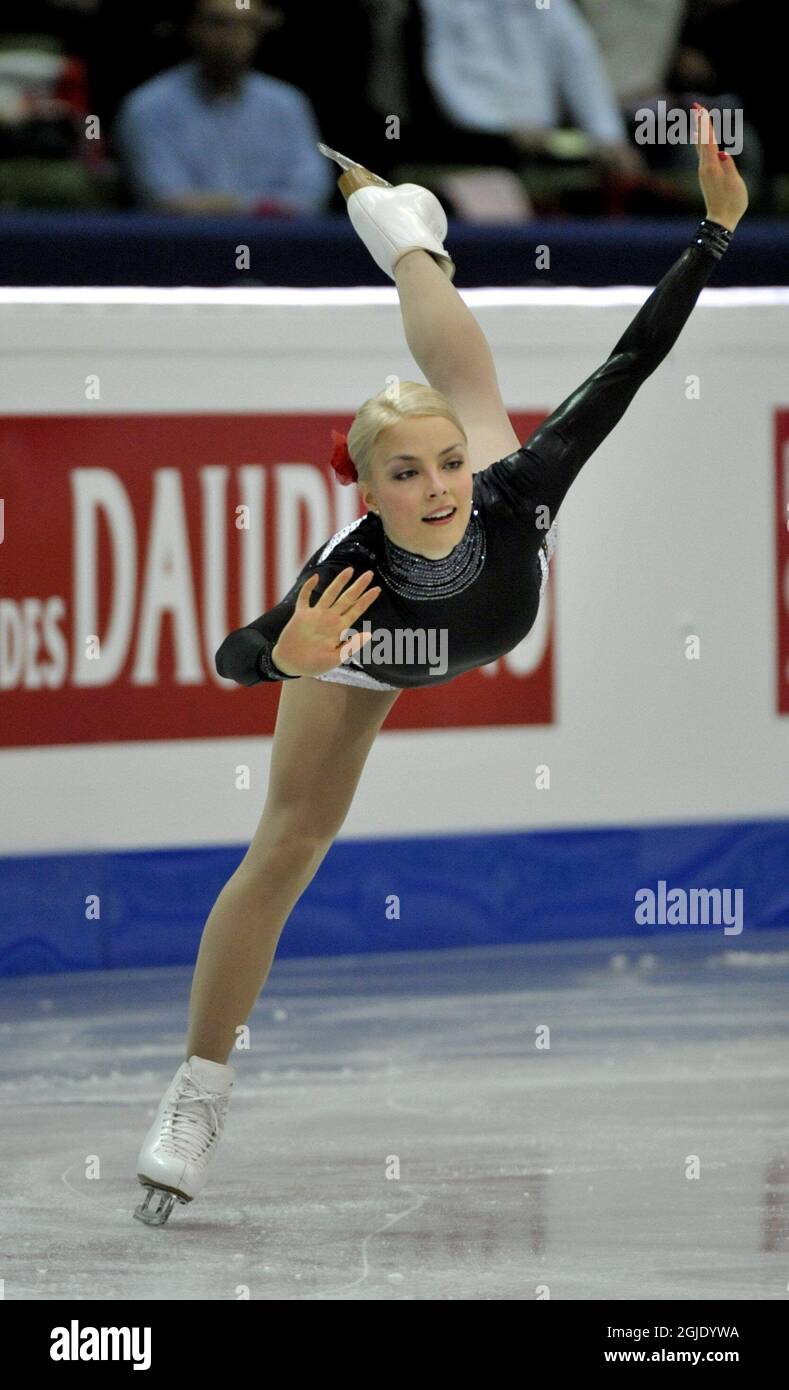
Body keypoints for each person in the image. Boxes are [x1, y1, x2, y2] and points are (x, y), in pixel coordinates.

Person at [133, 106, 748, 1224]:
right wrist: (285, 652)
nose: (438, 485)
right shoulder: (349, 577)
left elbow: (634, 360)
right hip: (372, 658)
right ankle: (196, 1091)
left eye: (446, 468)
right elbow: (229, 658)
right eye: (408, 475)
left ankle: (407, 232)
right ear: (367, 494)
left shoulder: (509, 487)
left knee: (467, 376)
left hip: (495, 594)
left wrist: (712, 231)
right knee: (287, 844)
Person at [112, 0, 331, 215]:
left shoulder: (287, 103)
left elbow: (311, 193)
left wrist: (228, 206)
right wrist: (260, 206)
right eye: (219, 23)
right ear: (192, 28)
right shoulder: (148, 106)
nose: (233, 38)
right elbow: (165, 199)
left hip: (274, 244)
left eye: (247, 25)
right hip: (184, 244)